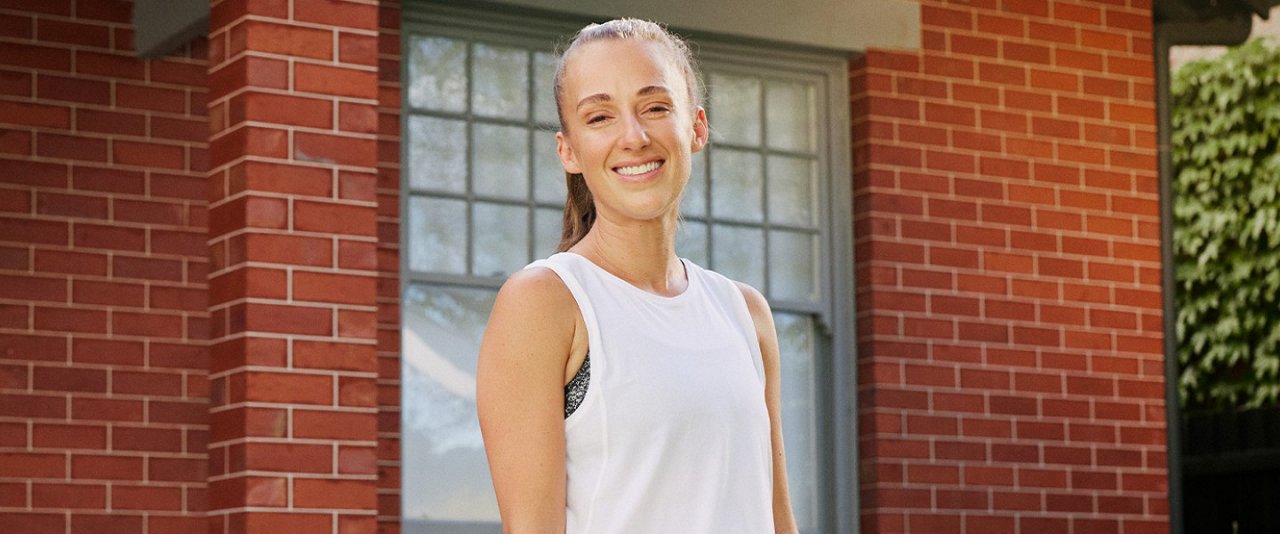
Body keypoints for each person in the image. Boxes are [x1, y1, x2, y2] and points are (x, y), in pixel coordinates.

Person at [476, 18, 799, 533]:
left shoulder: (745, 313)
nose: (634, 136)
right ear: (569, 151)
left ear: (696, 127)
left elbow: (778, 519)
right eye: (600, 117)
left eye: (654, 107)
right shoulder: (546, 302)